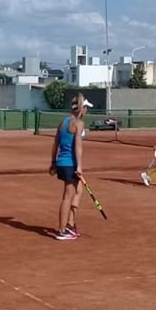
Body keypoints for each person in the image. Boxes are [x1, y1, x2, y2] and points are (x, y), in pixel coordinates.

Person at [49, 93, 92, 240]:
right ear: (81, 109)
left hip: (61, 163)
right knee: (67, 197)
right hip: (70, 164)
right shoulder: (79, 124)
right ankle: (62, 231)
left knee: (78, 190)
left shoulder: (63, 122)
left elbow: (55, 144)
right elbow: (78, 146)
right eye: (86, 107)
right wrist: (79, 167)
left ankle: (70, 223)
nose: (87, 110)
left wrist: (53, 162)